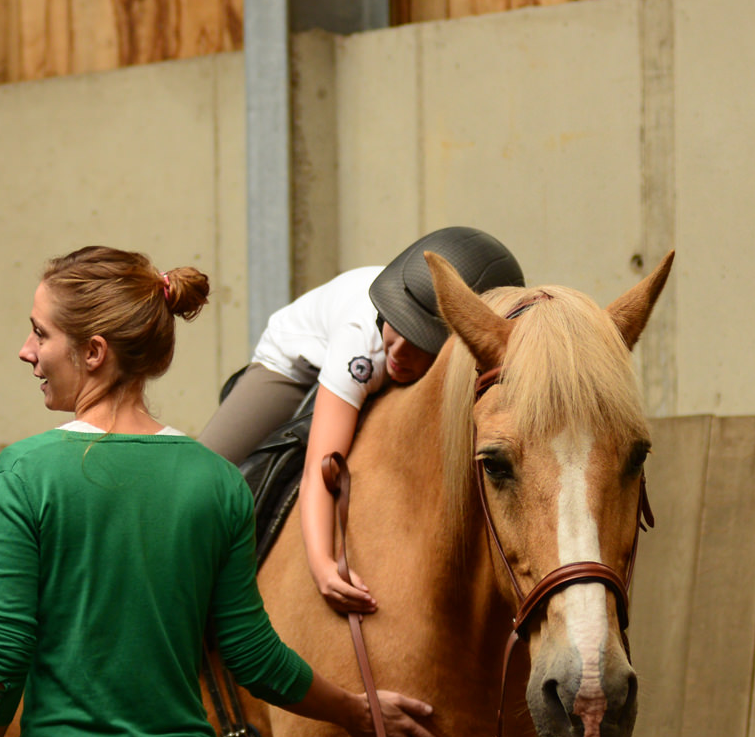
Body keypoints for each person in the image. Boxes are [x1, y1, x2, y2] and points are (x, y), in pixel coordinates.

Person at [0, 246, 445, 737]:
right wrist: (354, 711)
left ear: (93, 352)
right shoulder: (213, 484)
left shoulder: (27, 472)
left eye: (40, 333)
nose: (26, 351)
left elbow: (0, 654)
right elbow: (253, 653)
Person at [197, 227, 522, 615]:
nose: (398, 352)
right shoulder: (364, 345)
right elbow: (321, 463)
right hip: (296, 363)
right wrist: (321, 563)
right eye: (394, 326)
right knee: (198, 480)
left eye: (421, 341)